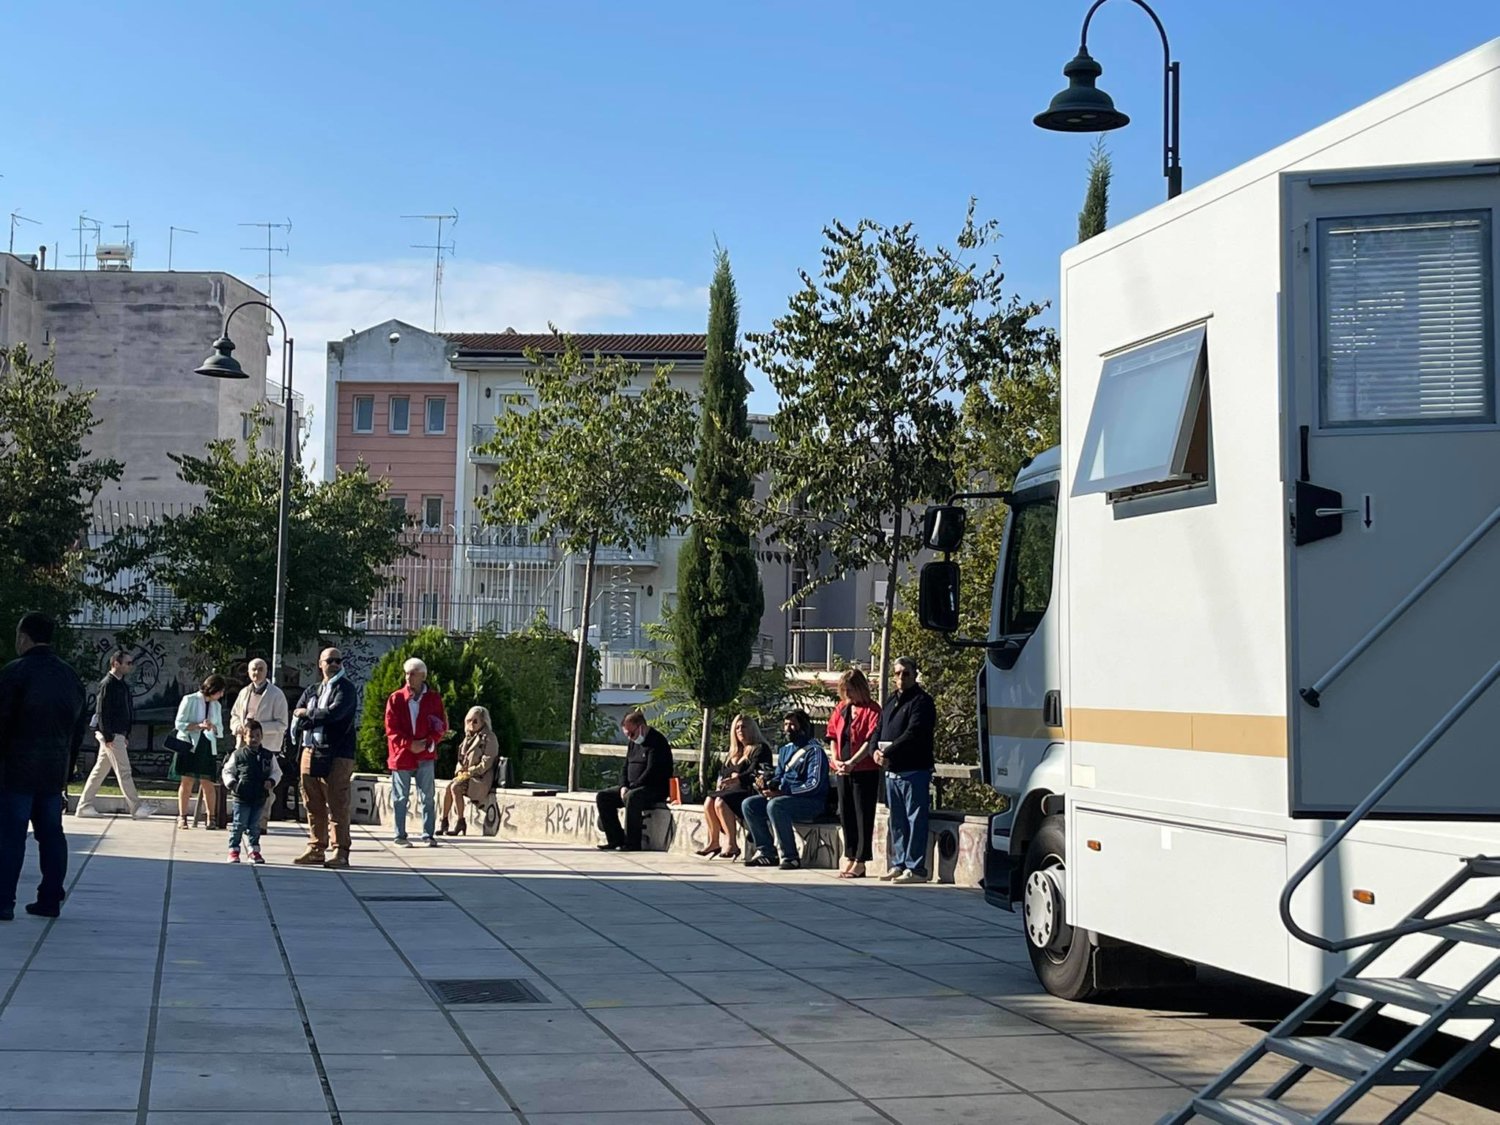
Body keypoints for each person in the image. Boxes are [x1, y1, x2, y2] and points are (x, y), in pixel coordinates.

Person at [0, 613, 87, 921]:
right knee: (51, 835)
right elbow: (78, 729)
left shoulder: (14, 673)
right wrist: (67, 770)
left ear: (23, 637)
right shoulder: (69, 677)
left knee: (11, 836)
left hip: (16, 769)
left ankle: (4, 901)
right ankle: (50, 899)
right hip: (53, 769)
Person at [292, 647, 359, 868]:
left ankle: (340, 851)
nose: (335, 664)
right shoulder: (313, 690)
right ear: (320, 663)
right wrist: (309, 716)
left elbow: (334, 714)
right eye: (330, 661)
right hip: (310, 750)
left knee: (337, 802)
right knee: (312, 801)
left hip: (337, 753)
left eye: (339, 660)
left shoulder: (346, 689)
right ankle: (316, 848)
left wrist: (308, 715)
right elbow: (298, 714)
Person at [874, 656, 937, 884]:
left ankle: (915, 868)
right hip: (892, 773)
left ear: (914, 674)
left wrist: (888, 752)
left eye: (906, 673)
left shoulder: (922, 702)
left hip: (914, 771)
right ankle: (899, 863)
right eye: (898, 673)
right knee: (897, 822)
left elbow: (914, 733)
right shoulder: (891, 700)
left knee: (915, 820)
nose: (901, 677)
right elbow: (878, 729)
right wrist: (874, 751)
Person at [742, 710, 829, 871]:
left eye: (793, 725)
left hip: (810, 802)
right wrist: (767, 784)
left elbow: (814, 784)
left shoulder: (815, 751)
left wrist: (784, 793)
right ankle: (767, 852)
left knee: (776, 805)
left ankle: (791, 857)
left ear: (803, 727)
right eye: (786, 725)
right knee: (749, 804)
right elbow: (779, 776)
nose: (788, 729)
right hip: (784, 798)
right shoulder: (785, 750)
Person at [76, 649, 154, 820]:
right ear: (116, 663)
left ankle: (84, 806)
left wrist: (125, 734)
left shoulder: (121, 684)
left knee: (100, 771)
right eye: (127, 663)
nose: (130, 666)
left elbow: (125, 711)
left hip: (117, 733)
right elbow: (102, 711)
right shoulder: (108, 684)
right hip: (111, 734)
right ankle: (136, 807)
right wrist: (108, 736)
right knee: (124, 771)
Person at [384, 657, 448, 848]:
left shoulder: (433, 699)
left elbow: (440, 725)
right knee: (400, 797)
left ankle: (428, 834)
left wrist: (428, 742)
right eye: (406, 673)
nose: (408, 677)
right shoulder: (396, 698)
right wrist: (408, 744)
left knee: (427, 796)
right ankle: (400, 836)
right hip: (402, 754)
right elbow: (391, 728)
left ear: (423, 676)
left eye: (413, 674)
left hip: (425, 753)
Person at [827, 666, 883, 879]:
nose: (847, 694)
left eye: (850, 689)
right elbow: (832, 736)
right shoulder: (841, 708)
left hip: (864, 769)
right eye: (845, 690)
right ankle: (849, 855)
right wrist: (836, 760)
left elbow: (870, 740)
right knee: (846, 814)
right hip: (842, 769)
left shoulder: (873, 710)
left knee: (862, 815)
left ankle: (861, 860)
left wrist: (852, 762)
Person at [697, 714, 772, 860]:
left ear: (752, 729)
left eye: (744, 727)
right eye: (737, 727)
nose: (740, 730)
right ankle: (714, 842)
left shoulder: (760, 749)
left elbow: (754, 772)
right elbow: (724, 773)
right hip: (732, 791)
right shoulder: (733, 752)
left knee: (720, 802)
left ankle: (732, 843)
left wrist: (737, 778)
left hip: (749, 791)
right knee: (709, 801)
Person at [228, 657, 290, 835]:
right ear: (248, 672)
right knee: (244, 782)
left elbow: (282, 724)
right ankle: (243, 820)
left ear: (266, 671)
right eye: (253, 669)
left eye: (260, 669)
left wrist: (258, 729)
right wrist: (238, 727)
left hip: (267, 747)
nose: (257, 673)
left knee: (265, 786)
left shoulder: (276, 694)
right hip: (244, 746)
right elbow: (234, 715)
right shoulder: (244, 692)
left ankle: (261, 823)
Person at [595, 709, 672, 852]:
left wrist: (632, 787)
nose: (630, 738)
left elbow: (652, 771)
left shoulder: (657, 742)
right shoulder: (633, 743)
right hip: (632, 786)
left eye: (632, 734)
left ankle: (632, 842)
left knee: (632, 797)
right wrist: (623, 785)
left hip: (653, 788)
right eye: (627, 735)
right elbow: (625, 766)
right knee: (603, 797)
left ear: (641, 727)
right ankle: (615, 839)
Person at [220, 718, 280, 864]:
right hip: (241, 796)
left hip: (259, 796)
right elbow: (227, 771)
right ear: (244, 737)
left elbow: (276, 772)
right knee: (238, 824)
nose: (254, 739)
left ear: (262, 736)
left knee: (255, 826)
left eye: (257, 736)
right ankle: (234, 850)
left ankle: (254, 850)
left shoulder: (268, 756)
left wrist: (271, 781)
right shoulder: (238, 755)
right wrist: (233, 784)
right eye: (251, 736)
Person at [172, 674, 227, 830]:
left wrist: (212, 727)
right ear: (213, 689)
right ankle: (182, 817)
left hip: (207, 745)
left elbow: (220, 729)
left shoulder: (216, 705)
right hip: (189, 743)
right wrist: (198, 726)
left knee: (207, 782)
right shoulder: (190, 699)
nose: (221, 695)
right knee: (187, 781)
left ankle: (211, 818)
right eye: (220, 691)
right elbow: (179, 723)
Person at [440, 705, 498, 837]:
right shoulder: (467, 738)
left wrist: (470, 772)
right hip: (466, 777)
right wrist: (460, 771)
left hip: (480, 778)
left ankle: (460, 822)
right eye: (469, 720)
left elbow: (487, 762)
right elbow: (460, 760)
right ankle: (444, 821)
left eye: (475, 721)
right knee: (449, 787)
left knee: (455, 787)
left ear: (483, 722)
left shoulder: (489, 737)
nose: (471, 724)